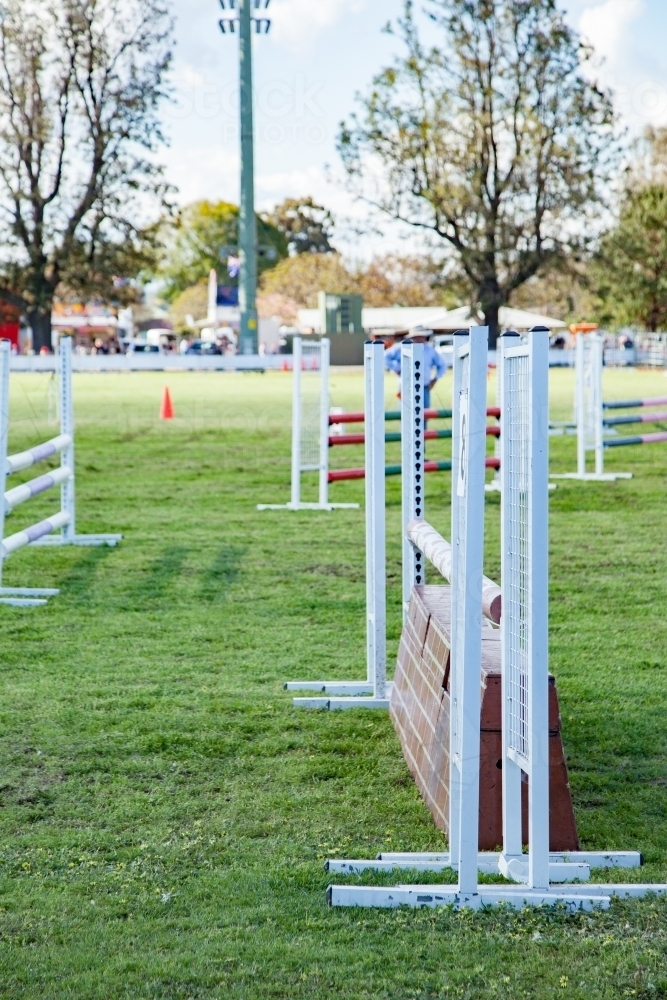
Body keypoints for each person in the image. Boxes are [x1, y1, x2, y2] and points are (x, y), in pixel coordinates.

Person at [384, 326, 448, 409]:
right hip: (405, 386)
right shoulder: (401, 347)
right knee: (404, 414)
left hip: (424, 386)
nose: (419, 338)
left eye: (421, 336)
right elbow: (384, 356)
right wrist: (397, 368)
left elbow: (442, 365)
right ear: (412, 337)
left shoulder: (430, 350)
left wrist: (435, 379)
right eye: (417, 336)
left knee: (423, 414)